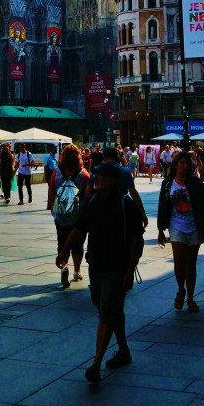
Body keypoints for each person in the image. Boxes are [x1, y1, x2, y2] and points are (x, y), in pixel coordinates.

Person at [56, 161, 142, 385]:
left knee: (106, 311)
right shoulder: (91, 201)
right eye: (96, 176)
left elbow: (136, 239)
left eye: (102, 176)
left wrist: (130, 269)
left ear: (113, 180)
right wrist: (64, 250)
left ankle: (95, 363)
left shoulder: (125, 204)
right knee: (108, 308)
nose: (97, 179)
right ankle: (123, 350)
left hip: (117, 266)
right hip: (96, 265)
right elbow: (79, 228)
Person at [157, 150, 204, 313]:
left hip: (194, 226)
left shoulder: (195, 183)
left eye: (187, 163)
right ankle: (180, 289)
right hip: (176, 226)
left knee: (191, 263)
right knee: (179, 261)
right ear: (175, 165)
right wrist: (161, 230)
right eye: (181, 163)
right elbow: (162, 206)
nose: (184, 166)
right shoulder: (167, 183)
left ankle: (190, 297)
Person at [48, 143, 90, 286]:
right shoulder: (83, 174)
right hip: (77, 216)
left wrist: (54, 210)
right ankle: (77, 270)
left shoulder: (56, 172)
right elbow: (88, 194)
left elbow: (52, 191)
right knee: (78, 244)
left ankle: (64, 267)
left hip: (61, 215)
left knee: (62, 241)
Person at [101, 146, 149, 229]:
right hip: (121, 207)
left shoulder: (97, 171)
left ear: (104, 157)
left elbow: (88, 191)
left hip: (102, 207)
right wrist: (142, 213)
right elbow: (133, 192)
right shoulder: (125, 171)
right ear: (117, 157)